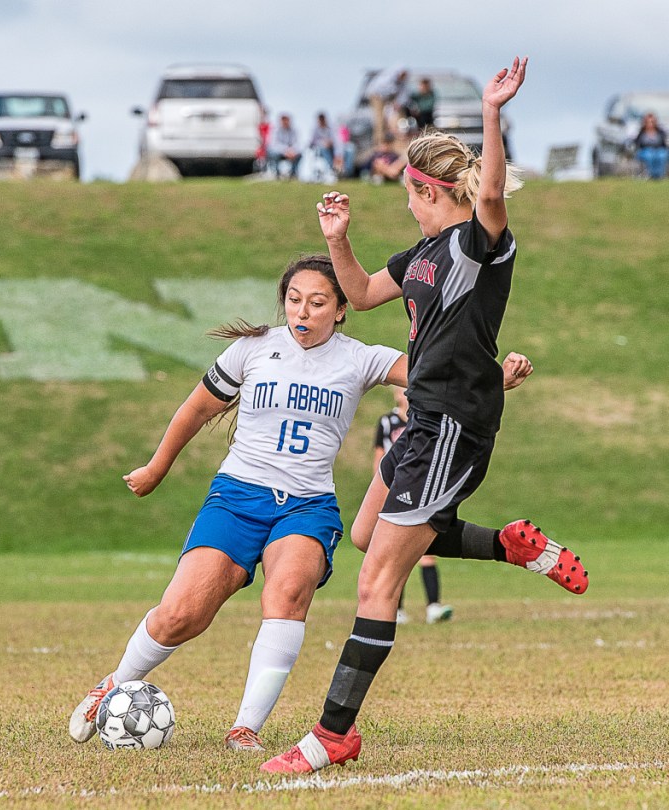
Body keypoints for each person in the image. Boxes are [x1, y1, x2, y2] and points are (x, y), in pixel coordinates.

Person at [263, 56, 589, 775]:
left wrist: (495, 114)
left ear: (426, 189)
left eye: (408, 192)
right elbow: (361, 290)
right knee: (364, 534)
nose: (403, 203)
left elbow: (495, 189)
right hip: (424, 424)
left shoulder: (478, 244)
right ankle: (509, 545)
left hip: (451, 429)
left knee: (377, 583)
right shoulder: (421, 254)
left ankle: (332, 735)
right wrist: (337, 238)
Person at [68, 255, 410, 753]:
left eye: (318, 303)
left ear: (340, 309)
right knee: (183, 613)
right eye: (294, 300)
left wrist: (494, 376)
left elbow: (431, 374)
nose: (303, 312)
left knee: (289, 593)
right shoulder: (253, 349)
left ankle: (244, 728)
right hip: (237, 496)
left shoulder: (360, 358)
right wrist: (156, 467)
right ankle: (112, 684)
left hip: (308, 505)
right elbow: (196, 408)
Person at [374, 386, 451, 625]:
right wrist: (378, 488)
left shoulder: (425, 418)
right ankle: (395, 609)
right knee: (394, 552)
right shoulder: (387, 422)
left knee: (425, 549)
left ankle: (433, 607)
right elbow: (379, 456)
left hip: (420, 487)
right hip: (394, 488)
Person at [366, 66, 409, 147]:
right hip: (377, 95)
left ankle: (400, 137)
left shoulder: (402, 83)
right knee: (380, 118)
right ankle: (379, 140)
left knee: (400, 115)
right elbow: (380, 90)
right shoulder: (387, 79)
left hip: (389, 97)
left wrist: (398, 103)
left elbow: (404, 95)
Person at [633, 111, 667, 180]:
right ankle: (651, 174)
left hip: (659, 150)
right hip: (645, 151)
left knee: (662, 155)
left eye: (652, 122)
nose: (650, 124)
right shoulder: (642, 132)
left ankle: (659, 175)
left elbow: (664, 143)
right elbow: (637, 143)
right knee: (649, 155)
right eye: (648, 122)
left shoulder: (660, 132)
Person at [268, 113, 302, 179]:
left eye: (287, 120)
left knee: (300, 155)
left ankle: (293, 173)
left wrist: (292, 151)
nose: (285, 122)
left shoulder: (294, 130)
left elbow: (298, 143)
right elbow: (274, 145)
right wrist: (285, 150)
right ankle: (277, 173)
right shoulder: (276, 130)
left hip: (292, 153)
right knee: (273, 153)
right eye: (283, 120)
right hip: (280, 153)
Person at [309, 112, 336, 182]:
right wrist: (322, 142)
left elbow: (335, 139)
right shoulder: (315, 129)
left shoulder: (330, 128)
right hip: (319, 149)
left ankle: (333, 169)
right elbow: (312, 142)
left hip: (331, 149)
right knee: (323, 148)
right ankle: (331, 168)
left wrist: (329, 142)